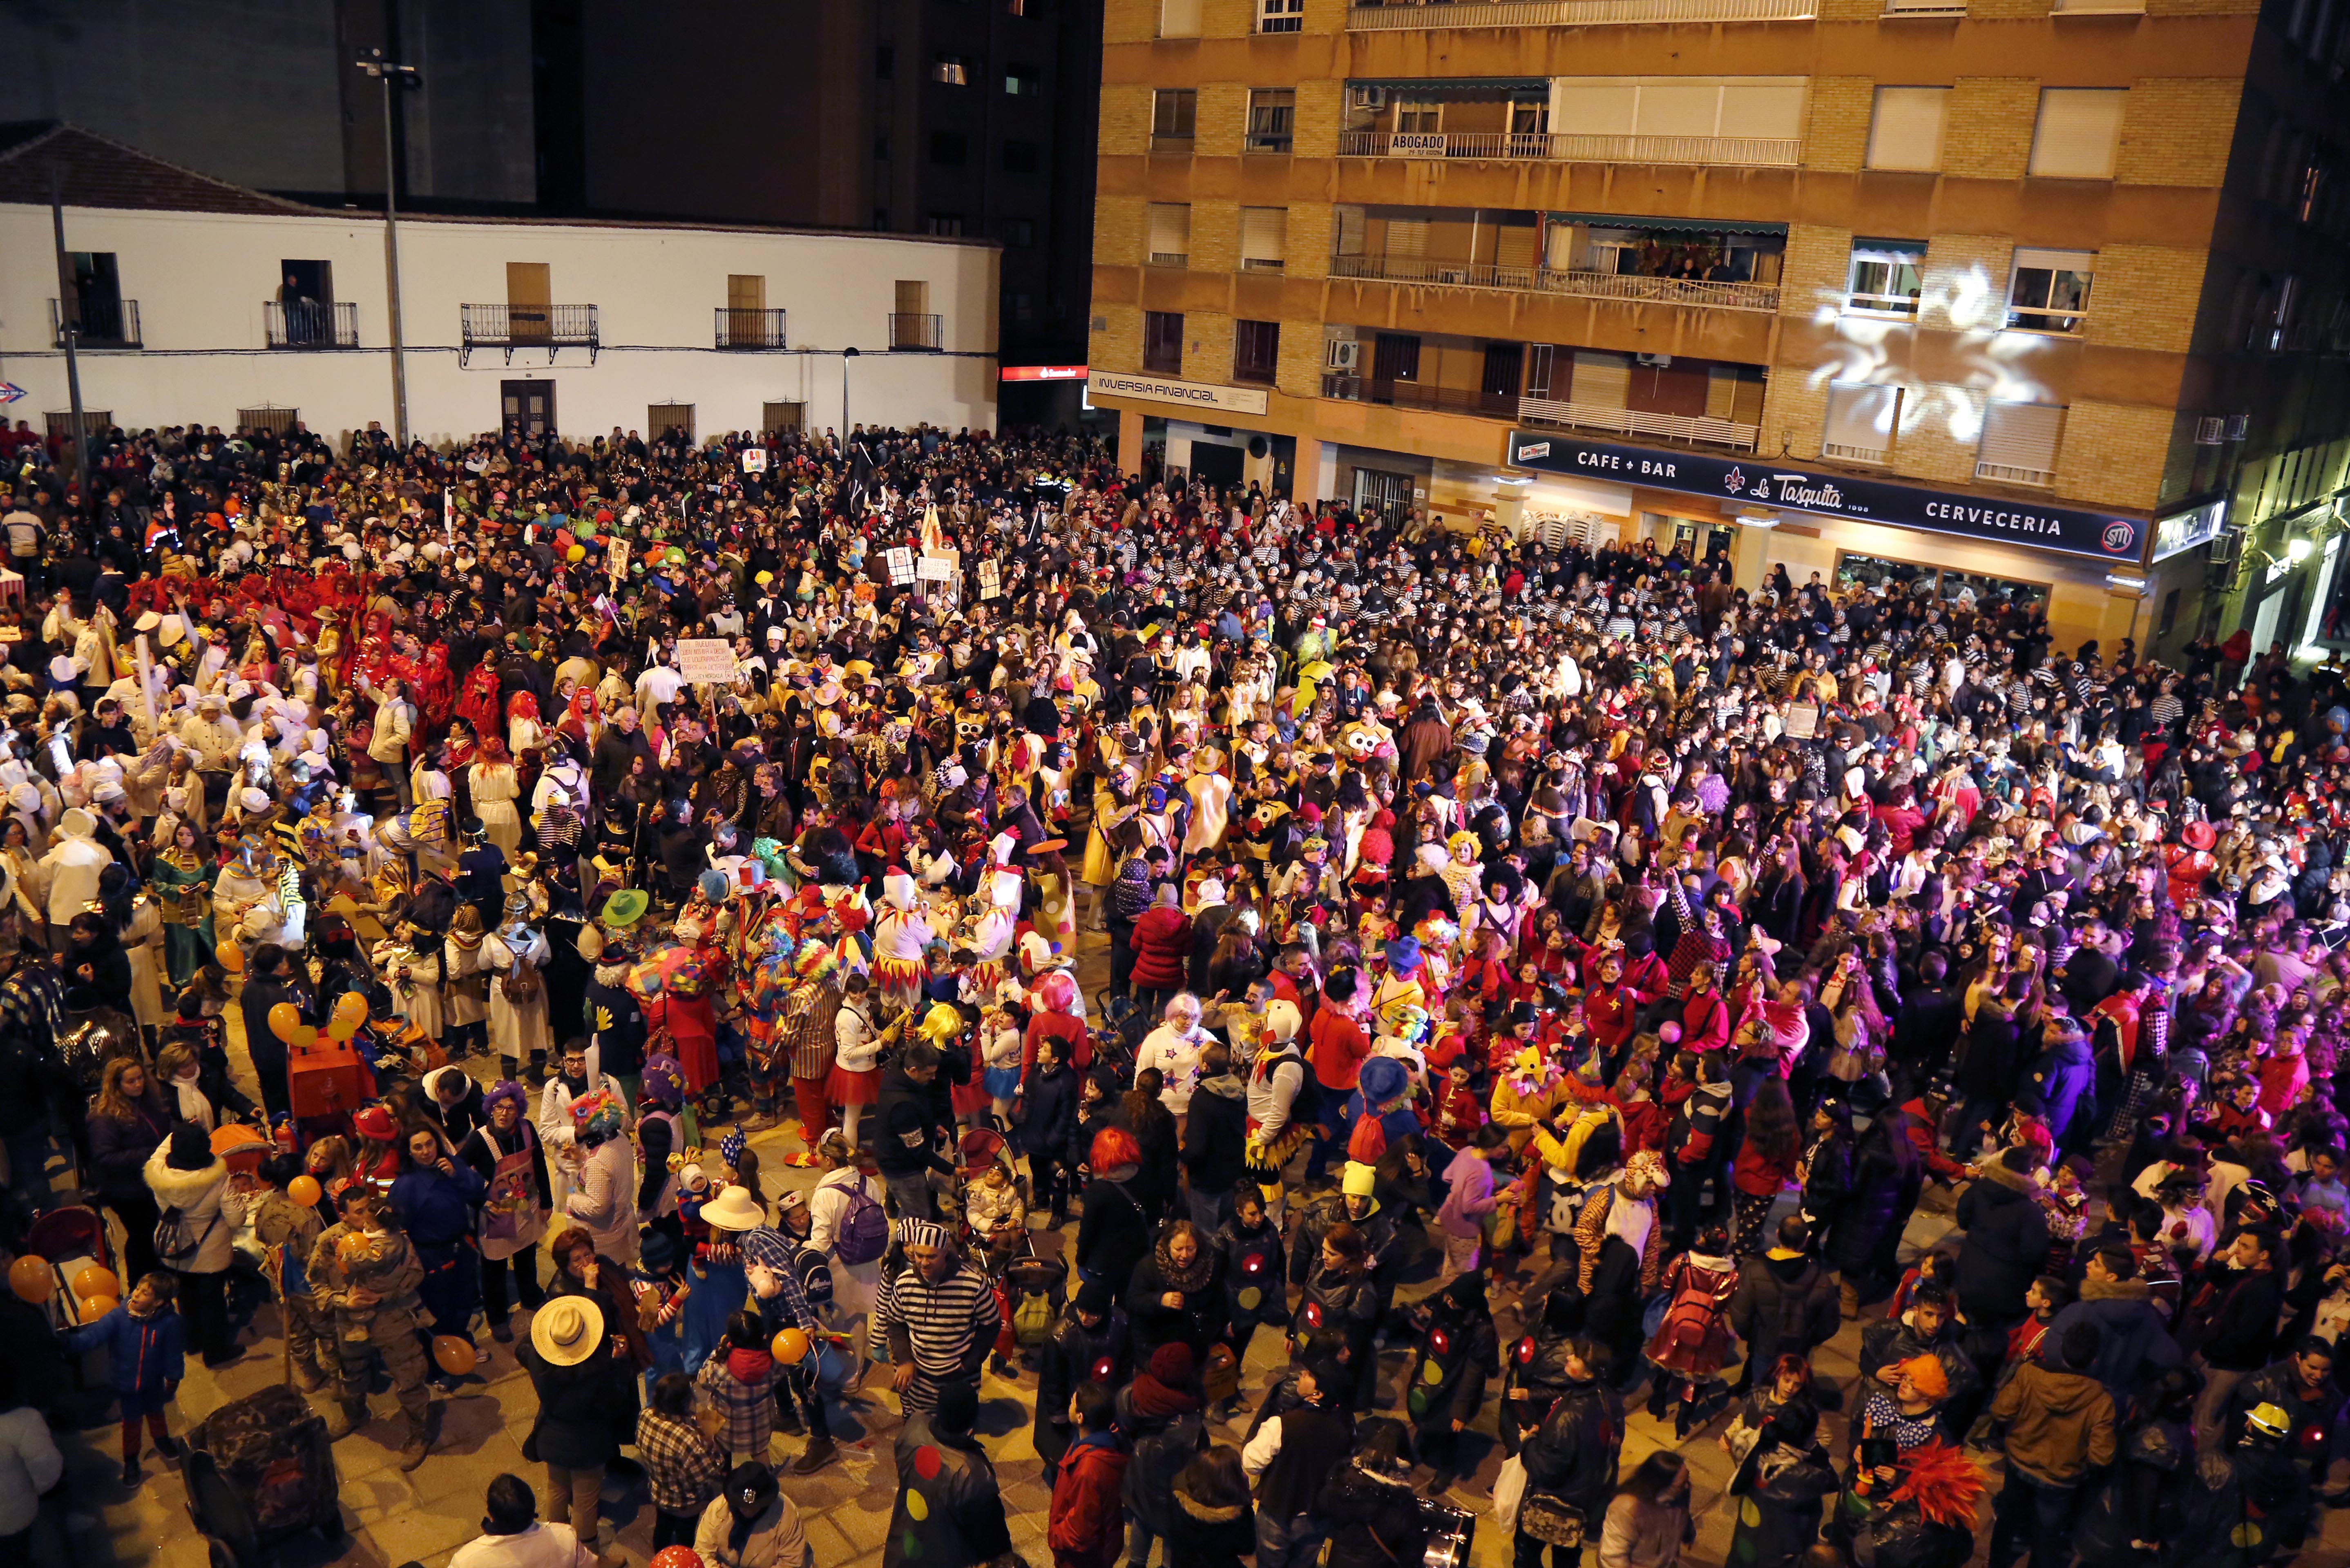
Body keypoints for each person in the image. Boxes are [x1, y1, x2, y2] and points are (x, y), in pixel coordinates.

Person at [308, 1184, 436, 1468]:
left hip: (392, 1319)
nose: (368, 1215)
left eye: (369, 1208)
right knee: (350, 1375)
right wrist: (343, 1302)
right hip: (350, 1323)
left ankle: (420, 1433)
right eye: (359, 1212)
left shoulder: (391, 1237)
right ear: (343, 1214)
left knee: (409, 1376)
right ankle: (355, 1414)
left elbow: (416, 1272)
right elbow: (315, 1281)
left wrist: (387, 1295)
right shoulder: (330, 1242)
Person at [1986, 1322, 2118, 1568]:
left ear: (2062, 1348)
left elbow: (2001, 1411)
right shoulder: (2102, 1402)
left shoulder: (2030, 1375)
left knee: (2007, 1523)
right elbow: (2102, 1456)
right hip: (2060, 1480)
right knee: (2046, 1538)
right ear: (2095, 1359)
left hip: (2019, 1464)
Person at [516, 1293, 631, 1566]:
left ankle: (556, 1553)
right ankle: (588, 1559)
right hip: (586, 1444)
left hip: (551, 1435)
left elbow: (522, 1347)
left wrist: (542, 1335)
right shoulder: (599, 1369)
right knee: (585, 1501)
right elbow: (614, 1404)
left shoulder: (539, 1360)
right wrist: (619, 1362)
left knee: (557, 1489)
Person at [62, 1270, 184, 1488]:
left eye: (145, 1293)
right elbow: (93, 1336)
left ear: (158, 1302)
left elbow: (173, 1354)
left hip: (153, 1383)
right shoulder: (118, 1317)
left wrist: (173, 1379)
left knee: (157, 1414)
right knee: (131, 1425)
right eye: (137, 1289)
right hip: (126, 1386)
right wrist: (68, 1344)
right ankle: (131, 1462)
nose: (136, 1294)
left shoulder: (170, 1323)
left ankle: (162, 1440)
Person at [873, 1218, 1001, 1414]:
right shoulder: (903, 1283)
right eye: (919, 1256)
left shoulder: (973, 1285)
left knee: (958, 1424)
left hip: (960, 1377)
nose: (924, 1263)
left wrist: (971, 1362)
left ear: (945, 1253)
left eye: (932, 1257)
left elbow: (991, 1324)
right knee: (921, 1423)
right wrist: (906, 1360)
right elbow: (895, 1323)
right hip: (920, 1377)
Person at [885, 1380, 1010, 1568]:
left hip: (904, 1547)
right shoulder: (973, 1474)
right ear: (972, 1422)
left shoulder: (914, 1427)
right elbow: (992, 1537)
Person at [145, 1121, 239, 1368]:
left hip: (175, 1249)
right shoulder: (219, 1178)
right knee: (213, 1303)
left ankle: (193, 1341)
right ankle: (216, 1352)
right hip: (211, 1253)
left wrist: (181, 1131)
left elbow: (159, 1151)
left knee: (186, 1297)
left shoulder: (158, 1172)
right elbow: (236, 1218)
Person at [639, 1369, 730, 1550]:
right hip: (685, 1502)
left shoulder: (646, 1416)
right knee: (685, 1533)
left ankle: (661, 1556)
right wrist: (712, 1445)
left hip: (658, 1491)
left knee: (663, 1526)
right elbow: (707, 1474)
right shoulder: (688, 1439)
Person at [449, 1473, 604, 1568]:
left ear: (492, 1514)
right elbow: (590, 1565)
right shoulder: (565, 1537)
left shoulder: (466, 1561)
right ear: (532, 1506)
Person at [697, 1459, 810, 1568]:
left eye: (754, 1506)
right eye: (743, 1505)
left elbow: (791, 1564)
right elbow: (702, 1552)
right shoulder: (717, 1509)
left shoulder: (787, 1516)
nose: (748, 1510)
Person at [1595, 1451, 1693, 1568]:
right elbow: (1613, 1558)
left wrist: (1688, 1533)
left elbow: (1683, 1516)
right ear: (1659, 1485)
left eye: (1687, 1479)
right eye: (1680, 1485)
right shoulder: (1627, 1509)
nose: (1687, 1486)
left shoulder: (1680, 1495)